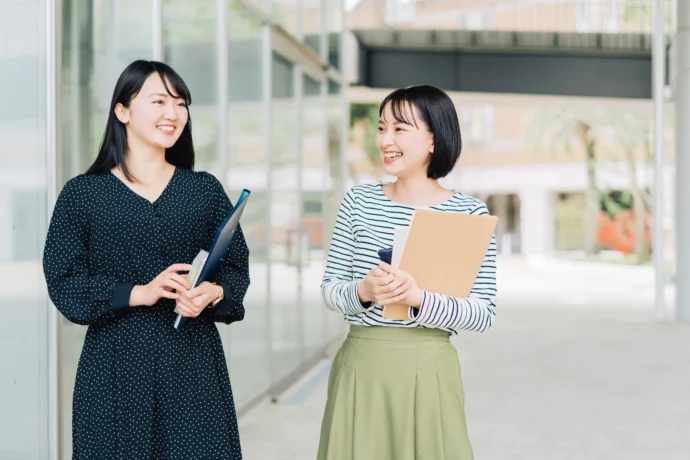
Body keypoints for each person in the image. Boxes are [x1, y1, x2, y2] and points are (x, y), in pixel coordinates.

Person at [43, 60, 250, 460]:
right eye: (159, 101)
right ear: (122, 111)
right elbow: (64, 281)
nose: (172, 113)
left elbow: (236, 267)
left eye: (180, 103)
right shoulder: (83, 194)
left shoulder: (203, 190)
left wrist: (211, 292)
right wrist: (139, 292)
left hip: (192, 365)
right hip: (114, 369)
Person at [317, 85, 497, 460]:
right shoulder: (358, 201)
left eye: (400, 129)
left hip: (430, 369)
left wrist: (417, 299)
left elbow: (483, 312)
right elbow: (330, 287)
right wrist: (365, 290)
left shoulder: (470, 214)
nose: (386, 139)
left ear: (434, 138)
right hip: (362, 366)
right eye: (382, 128)